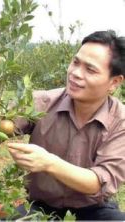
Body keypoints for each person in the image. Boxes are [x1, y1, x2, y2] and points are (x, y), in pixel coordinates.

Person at [7, 30, 125, 221]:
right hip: (40, 207)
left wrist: (49, 163)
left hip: (93, 210)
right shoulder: (41, 103)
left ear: (114, 82)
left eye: (90, 69)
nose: (76, 73)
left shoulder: (120, 122)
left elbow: (99, 181)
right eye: (75, 62)